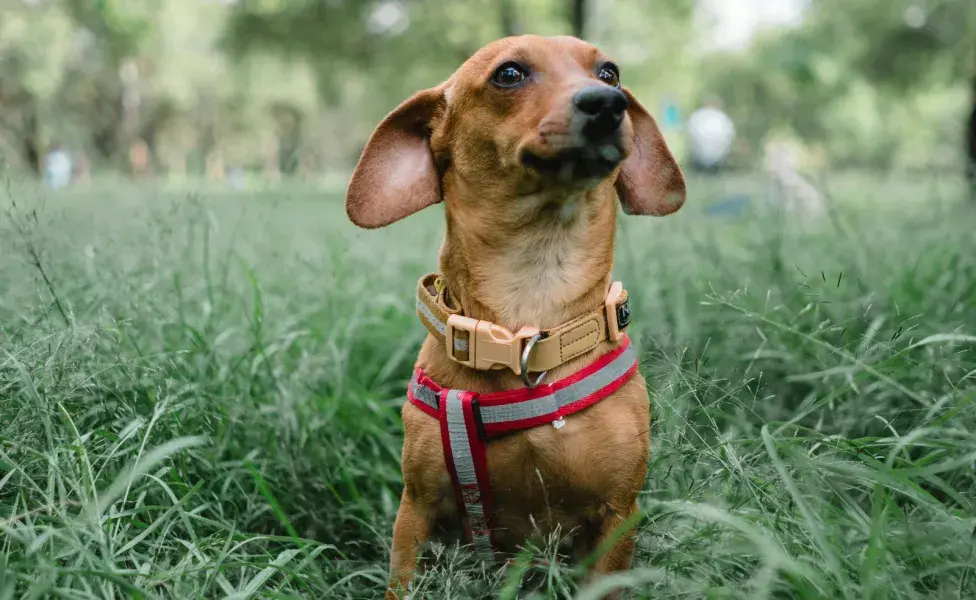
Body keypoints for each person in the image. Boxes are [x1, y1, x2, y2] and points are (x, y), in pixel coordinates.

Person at [686, 96, 736, 174]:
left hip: (700, 156)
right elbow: (728, 137)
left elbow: (690, 135)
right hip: (717, 157)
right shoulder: (722, 117)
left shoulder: (697, 115)